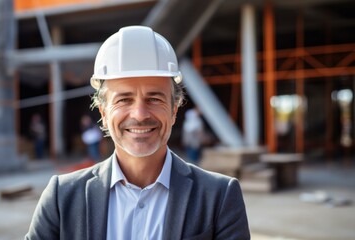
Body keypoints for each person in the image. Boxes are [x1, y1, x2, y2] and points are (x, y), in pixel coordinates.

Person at [25, 26, 250, 240]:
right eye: (124, 99)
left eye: (154, 98)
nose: (140, 114)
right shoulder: (61, 198)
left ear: (174, 110)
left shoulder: (219, 197)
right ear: (103, 112)